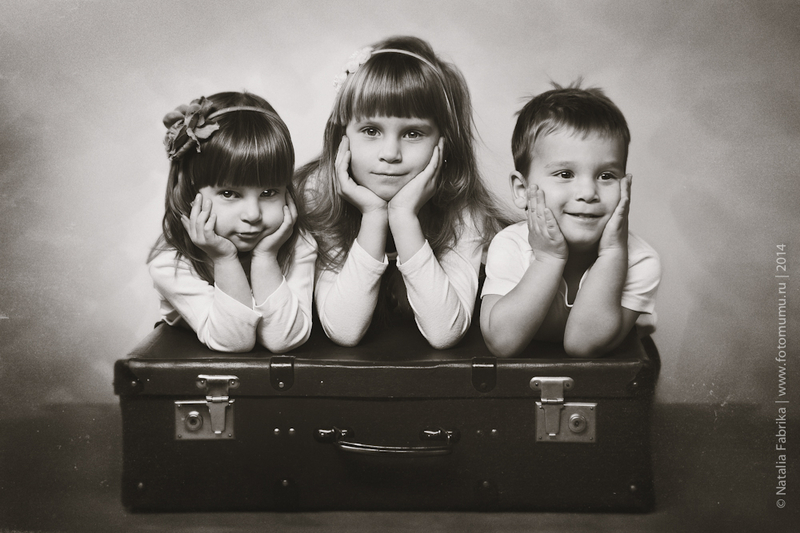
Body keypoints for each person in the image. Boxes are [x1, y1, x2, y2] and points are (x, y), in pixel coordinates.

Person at [295, 36, 507, 349]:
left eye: (412, 133)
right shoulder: (317, 195)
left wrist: (404, 216)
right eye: (371, 131)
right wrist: (373, 215)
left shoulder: (462, 208)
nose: (390, 154)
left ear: (444, 142)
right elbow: (343, 329)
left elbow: (444, 332)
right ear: (342, 136)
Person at [480, 83, 661, 358]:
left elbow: (581, 345)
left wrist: (613, 254)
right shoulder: (511, 245)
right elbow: (501, 343)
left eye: (606, 176)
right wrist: (548, 259)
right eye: (565, 174)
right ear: (522, 190)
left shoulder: (640, 260)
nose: (588, 193)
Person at [148, 91, 316, 353]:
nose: (253, 214)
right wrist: (224, 259)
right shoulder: (171, 264)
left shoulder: (298, 243)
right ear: (191, 192)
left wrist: (266, 257)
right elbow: (235, 341)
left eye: (268, 192)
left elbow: (283, 339)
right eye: (229, 194)